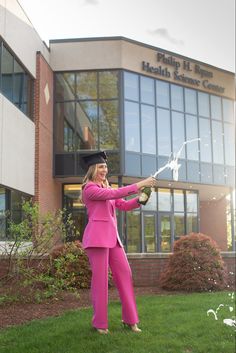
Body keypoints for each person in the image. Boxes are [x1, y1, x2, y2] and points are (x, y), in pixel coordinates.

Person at [81, 151, 158, 334]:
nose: (104, 170)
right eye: (101, 167)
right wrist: (140, 184)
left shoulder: (107, 188)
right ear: (93, 169)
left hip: (113, 239)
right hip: (97, 239)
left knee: (125, 275)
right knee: (100, 282)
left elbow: (122, 204)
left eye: (105, 167)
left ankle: (130, 320)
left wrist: (141, 199)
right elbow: (115, 193)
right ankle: (100, 324)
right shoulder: (90, 189)